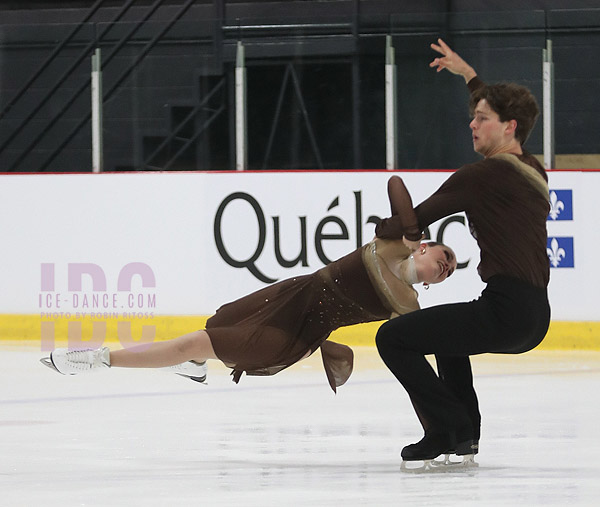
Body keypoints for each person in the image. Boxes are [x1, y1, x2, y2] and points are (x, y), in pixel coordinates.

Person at [43, 176, 457, 393]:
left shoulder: (409, 306)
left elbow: (424, 360)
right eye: (444, 256)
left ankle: (99, 360)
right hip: (288, 294)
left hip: (295, 331)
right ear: (424, 250)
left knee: (197, 341)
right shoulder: (390, 245)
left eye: (451, 269)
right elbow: (395, 185)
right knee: (217, 324)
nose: (446, 266)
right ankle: (191, 364)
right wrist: (410, 228)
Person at [375, 39, 551, 469]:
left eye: (481, 119)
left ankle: (446, 425)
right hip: (534, 315)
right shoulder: (532, 168)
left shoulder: (481, 176)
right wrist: (469, 75)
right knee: (445, 338)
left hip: (505, 311)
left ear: (508, 127)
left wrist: (385, 230)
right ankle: (463, 436)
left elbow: (415, 218)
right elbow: (507, 109)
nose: (472, 124)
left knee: (392, 339)